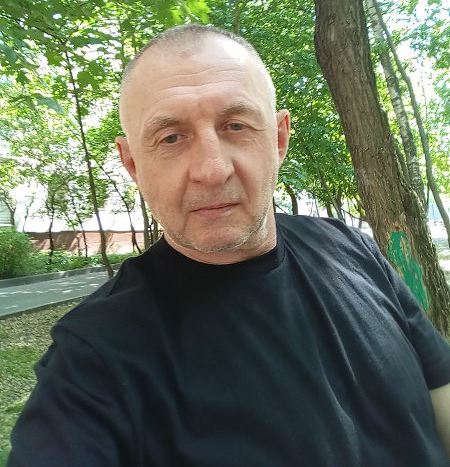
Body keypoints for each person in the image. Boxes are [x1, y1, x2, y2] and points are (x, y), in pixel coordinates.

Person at [7, 24, 450, 466]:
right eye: (171, 137)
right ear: (133, 164)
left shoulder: (352, 249)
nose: (212, 170)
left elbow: (441, 394)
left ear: (278, 139)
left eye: (235, 125)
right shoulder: (93, 358)